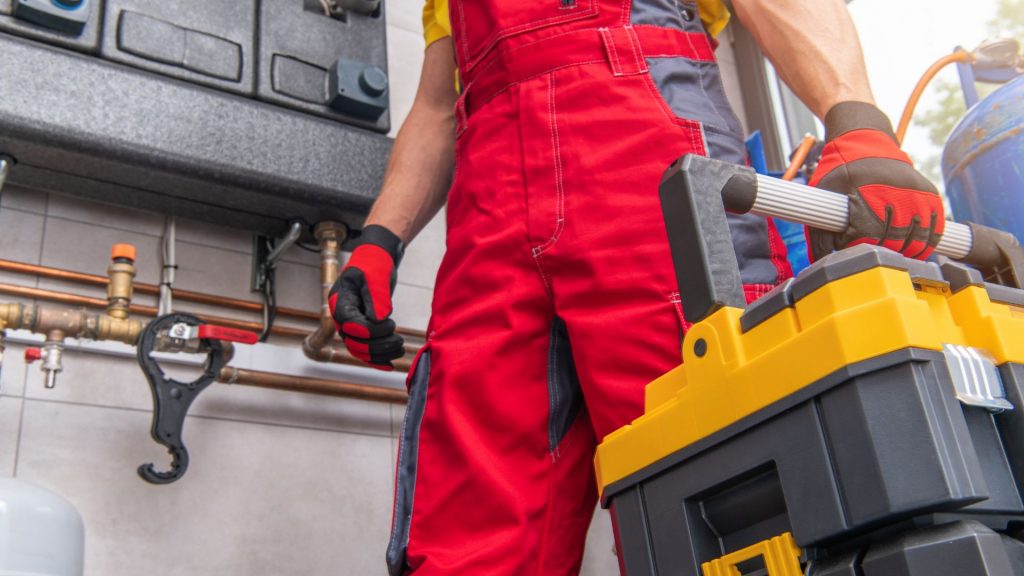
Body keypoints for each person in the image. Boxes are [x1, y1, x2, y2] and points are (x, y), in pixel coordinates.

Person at [328, 0, 945, 574]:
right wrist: (380, 240)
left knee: (722, 490)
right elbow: (438, 105)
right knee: (465, 528)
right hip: (489, 218)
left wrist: (856, 121)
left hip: (648, 171)